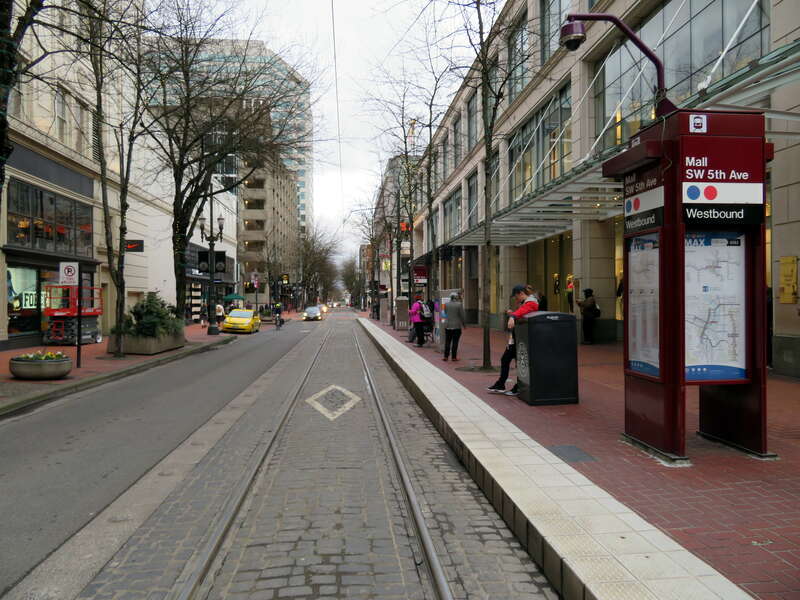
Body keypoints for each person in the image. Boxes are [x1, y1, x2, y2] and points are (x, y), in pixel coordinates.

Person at [488, 284, 539, 396]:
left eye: (516, 297)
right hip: (518, 338)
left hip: (523, 339)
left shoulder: (531, 302)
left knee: (518, 363)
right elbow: (522, 314)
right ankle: (503, 384)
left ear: (521, 293)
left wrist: (512, 316)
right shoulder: (525, 303)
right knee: (508, 360)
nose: (515, 299)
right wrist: (512, 314)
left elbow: (524, 311)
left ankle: (516, 386)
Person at [442, 292, 466, 362]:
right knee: (455, 341)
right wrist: (464, 324)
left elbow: (445, 312)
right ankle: (454, 357)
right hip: (456, 326)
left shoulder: (446, 304)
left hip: (448, 325)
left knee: (447, 341)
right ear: (456, 297)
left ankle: (446, 356)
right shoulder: (459, 304)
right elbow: (462, 315)